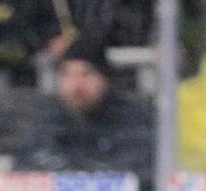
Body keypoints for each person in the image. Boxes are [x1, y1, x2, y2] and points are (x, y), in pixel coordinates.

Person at [14, 36, 153, 175]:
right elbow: (27, 164)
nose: (76, 85)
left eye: (86, 74)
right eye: (67, 75)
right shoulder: (46, 120)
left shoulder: (132, 118)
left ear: (104, 78)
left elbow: (139, 167)